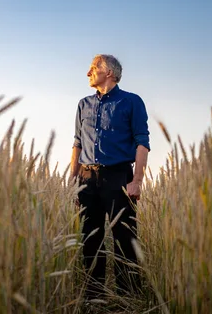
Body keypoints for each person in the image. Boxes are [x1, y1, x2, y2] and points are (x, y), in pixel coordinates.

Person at [70, 54, 150, 299]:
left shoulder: (132, 102)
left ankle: (128, 299)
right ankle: (94, 297)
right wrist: (73, 181)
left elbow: (142, 143)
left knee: (125, 238)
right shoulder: (83, 104)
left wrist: (136, 181)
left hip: (118, 178)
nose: (88, 73)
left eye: (93, 68)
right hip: (86, 178)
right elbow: (77, 144)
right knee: (89, 238)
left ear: (110, 73)